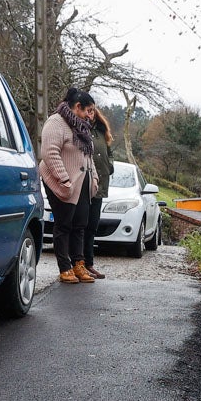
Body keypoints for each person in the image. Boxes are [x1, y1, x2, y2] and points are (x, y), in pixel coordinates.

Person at [38, 88, 99, 284]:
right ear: (77, 107)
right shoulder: (56, 122)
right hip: (60, 181)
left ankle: (78, 264)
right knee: (64, 224)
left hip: (81, 182)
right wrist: (64, 179)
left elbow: (88, 156)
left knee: (80, 225)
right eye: (88, 110)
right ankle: (64, 267)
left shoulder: (82, 127)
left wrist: (95, 178)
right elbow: (49, 152)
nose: (91, 115)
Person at [84, 106, 115, 279]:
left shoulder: (102, 132)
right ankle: (79, 264)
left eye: (93, 111)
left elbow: (109, 154)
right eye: (88, 110)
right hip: (85, 185)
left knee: (92, 227)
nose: (91, 114)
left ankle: (89, 264)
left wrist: (109, 167)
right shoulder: (81, 129)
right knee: (82, 226)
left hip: (100, 186)